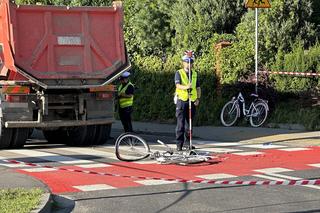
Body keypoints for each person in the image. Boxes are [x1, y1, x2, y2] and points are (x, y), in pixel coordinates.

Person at [174, 51, 201, 151]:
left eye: (191, 62)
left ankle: (188, 143)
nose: (190, 64)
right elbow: (177, 85)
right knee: (180, 124)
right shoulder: (179, 73)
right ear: (183, 63)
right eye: (187, 62)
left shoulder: (194, 74)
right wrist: (186, 87)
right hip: (182, 101)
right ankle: (179, 144)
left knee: (189, 125)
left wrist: (198, 98)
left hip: (192, 101)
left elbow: (198, 87)